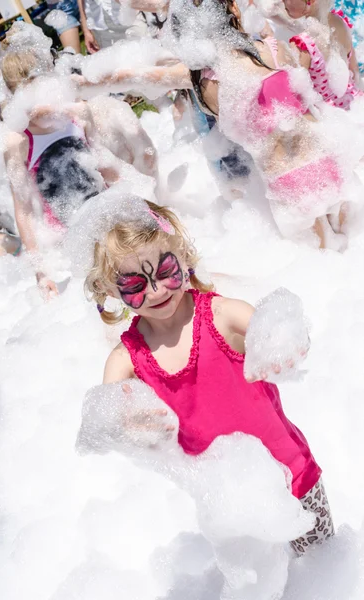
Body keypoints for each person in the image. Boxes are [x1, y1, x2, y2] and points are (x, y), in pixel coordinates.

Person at [84, 197, 334, 555]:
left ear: (183, 258)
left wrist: (288, 341)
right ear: (111, 291)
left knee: (322, 572)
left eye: (166, 270)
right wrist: (132, 423)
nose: (156, 291)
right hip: (228, 503)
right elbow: (108, 412)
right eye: (135, 284)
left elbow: (280, 330)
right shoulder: (127, 359)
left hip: (294, 478)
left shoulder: (223, 316)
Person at [167, 0, 351, 248]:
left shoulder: (203, 82)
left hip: (283, 178)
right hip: (325, 154)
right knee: (352, 242)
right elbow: (309, 79)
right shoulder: (272, 52)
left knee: (320, 257)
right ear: (233, 9)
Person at [2, 50, 121, 298]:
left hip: (109, 212)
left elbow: (106, 167)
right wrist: (41, 272)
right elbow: (23, 210)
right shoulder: (18, 141)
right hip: (70, 237)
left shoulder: (78, 114)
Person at [283, 0, 363, 110]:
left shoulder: (302, 44)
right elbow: (355, 71)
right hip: (356, 105)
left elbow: (297, 98)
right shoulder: (341, 22)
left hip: (330, 116)